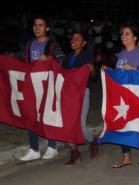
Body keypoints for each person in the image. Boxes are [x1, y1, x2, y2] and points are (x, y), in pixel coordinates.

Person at [18, 15, 65, 161]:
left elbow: (62, 59)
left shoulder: (52, 45)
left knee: (47, 116)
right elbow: (21, 61)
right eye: (35, 25)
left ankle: (52, 147)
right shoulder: (29, 44)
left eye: (41, 25)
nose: (37, 27)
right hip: (32, 86)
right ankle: (34, 149)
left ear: (47, 28)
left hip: (47, 86)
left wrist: (50, 59)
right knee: (30, 114)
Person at [109, 23, 139, 168]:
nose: (124, 36)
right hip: (123, 97)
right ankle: (126, 157)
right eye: (122, 34)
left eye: (127, 34)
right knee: (122, 123)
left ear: (135, 37)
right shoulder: (121, 55)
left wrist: (135, 69)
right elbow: (119, 76)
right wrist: (109, 72)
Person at [61, 31, 100, 165]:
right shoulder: (67, 58)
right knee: (67, 124)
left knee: (80, 125)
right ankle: (74, 151)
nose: (73, 40)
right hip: (68, 95)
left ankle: (93, 140)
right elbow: (62, 75)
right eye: (72, 38)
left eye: (77, 39)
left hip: (83, 92)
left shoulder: (87, 55)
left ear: (83, 43)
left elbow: (94, 77)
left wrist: (92, 69)